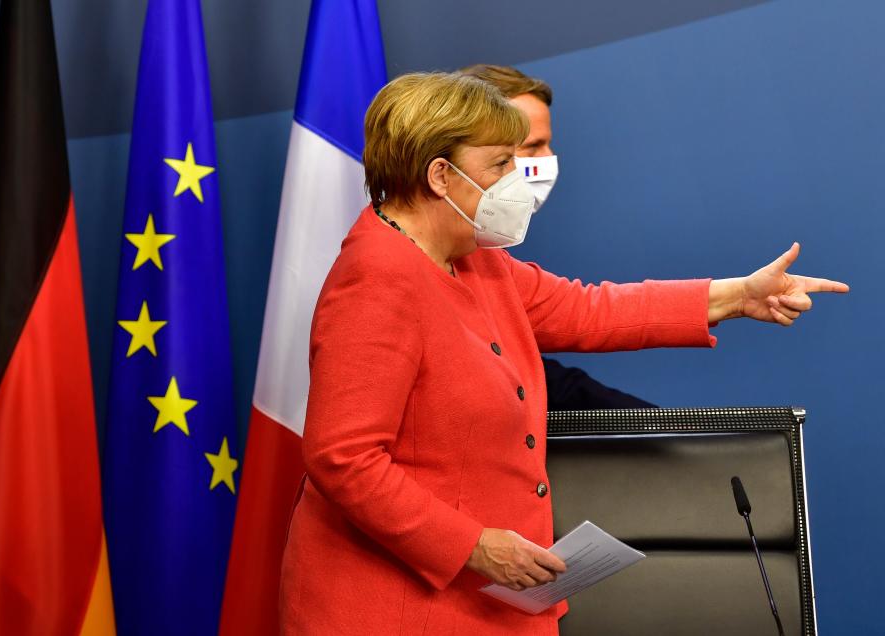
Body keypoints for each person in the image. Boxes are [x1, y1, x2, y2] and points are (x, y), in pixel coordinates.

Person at [278, 72, 847, 635]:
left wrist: (737, 295)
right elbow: (343, 459)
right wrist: (472, 546)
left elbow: (589, 309)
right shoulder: (377, 280)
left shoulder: (476, 259)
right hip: (392, 609)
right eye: (500, 163)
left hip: (489, 603)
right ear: (440, 176)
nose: (515, 181)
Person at [462, 63, 655, 410]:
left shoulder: (486, 257)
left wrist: (739, 295)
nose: (548, 161)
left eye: (548, 145)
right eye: (533, 147)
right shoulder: (398, 266)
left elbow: (587, 312)